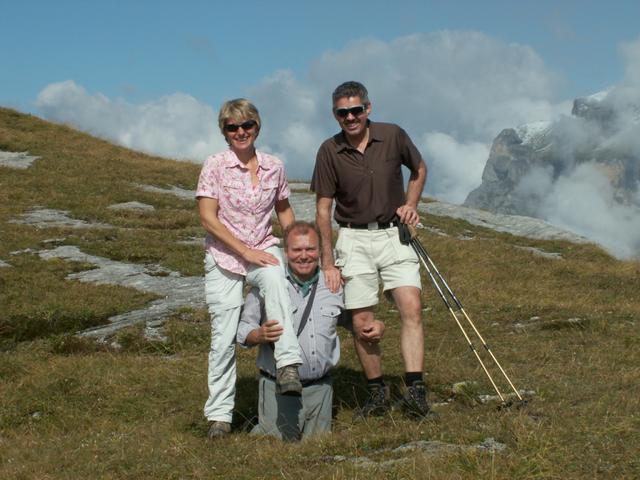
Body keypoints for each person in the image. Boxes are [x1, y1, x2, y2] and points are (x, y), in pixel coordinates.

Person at [310, 81, 433, 419]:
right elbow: (323, 209)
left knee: (412, 305)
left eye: (356, 110)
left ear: (368, 108)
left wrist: (411, 205)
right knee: (362, 321)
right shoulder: (329, 150)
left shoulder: (392, 135)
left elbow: (419, 169)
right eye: (343, 113)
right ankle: (377, 393)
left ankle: (415, 392)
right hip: (353, 239)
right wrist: (328, 263)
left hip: (394, 233)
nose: (350, 117)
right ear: (335, 115)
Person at [196, 98, 303, 439]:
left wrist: (296, 243)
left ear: (257, 127)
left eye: (247, 125)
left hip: (263, 244)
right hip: (224, 255)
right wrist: (243, 251)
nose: (240, 132)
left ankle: (288, 366)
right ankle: (219, 417)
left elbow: (283, 209)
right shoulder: (215, 165)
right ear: (224, 131)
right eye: (232, 127)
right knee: (223, 335)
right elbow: (207, 217)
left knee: (275, 279)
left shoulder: (274, 166)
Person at [237, 221, 345, 441]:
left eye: (310, 249)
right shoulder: (268, 284)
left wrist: (373, 327)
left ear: (320, 252)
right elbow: (243, 331)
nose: (304, 256)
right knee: (275, 450)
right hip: (277, 390)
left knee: (317, 452)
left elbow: (355, 321)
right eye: (297, 250)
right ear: (286, 252)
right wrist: (259, 335)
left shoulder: (334, 284)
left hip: (321, 390)